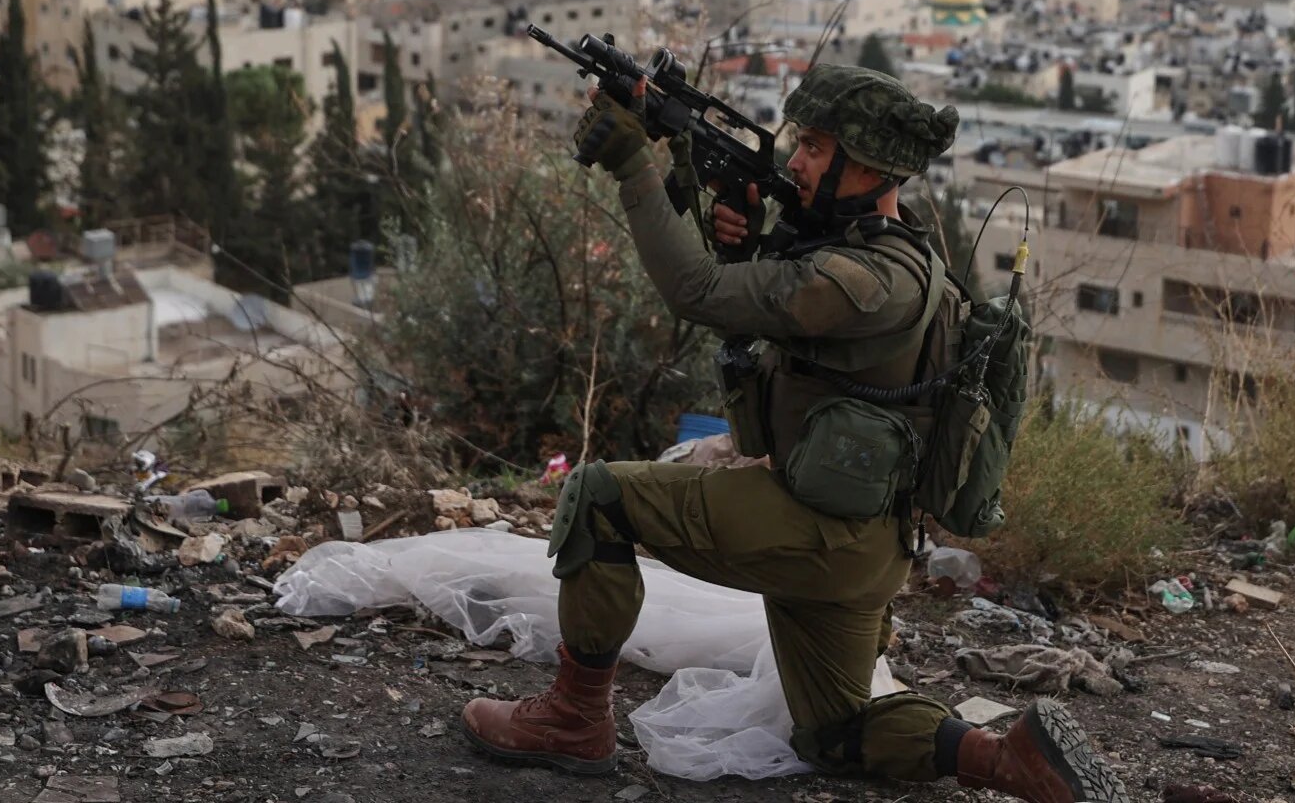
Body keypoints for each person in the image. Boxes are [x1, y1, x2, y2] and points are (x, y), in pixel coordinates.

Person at [460, 63, 1130, 803]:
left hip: (820, 533)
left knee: (598, 496)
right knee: (833, 732)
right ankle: (1008, 761)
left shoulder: (865, 279)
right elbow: (774, 316)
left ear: (869, 166)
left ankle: (573, 720)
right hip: (864, 544)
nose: (796, 160)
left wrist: (633, 168)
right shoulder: (893, 252)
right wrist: (741, 232)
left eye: (814, 145)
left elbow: (700, 294)